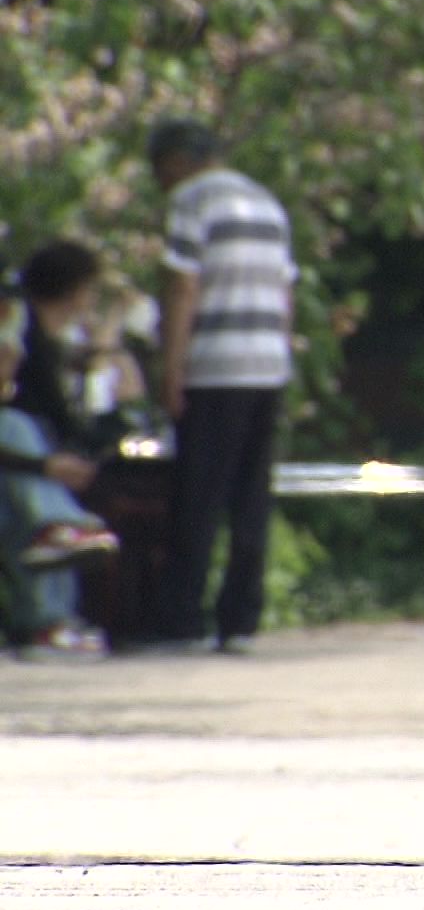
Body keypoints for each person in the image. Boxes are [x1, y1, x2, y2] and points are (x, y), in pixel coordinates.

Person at [146, 120, 297, 654]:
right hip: (266, 366)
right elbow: (285, 291)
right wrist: (281, 356)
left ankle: (182, 618)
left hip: (214, 367)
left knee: (199, 495)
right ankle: (240, 620)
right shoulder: (267, 204)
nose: (159, 182)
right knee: (251, 498)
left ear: (177, 161)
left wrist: (171, 369)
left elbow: (183, 285)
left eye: (159, 169)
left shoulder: (192, 201)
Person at [1, 243, 121, 658]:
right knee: (17, 432)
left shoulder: (50, 348)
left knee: (30, 509)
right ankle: (62, 532)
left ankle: (49, 617)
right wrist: (46, 464)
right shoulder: (26, 339)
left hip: (21, 475)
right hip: (18, 465)